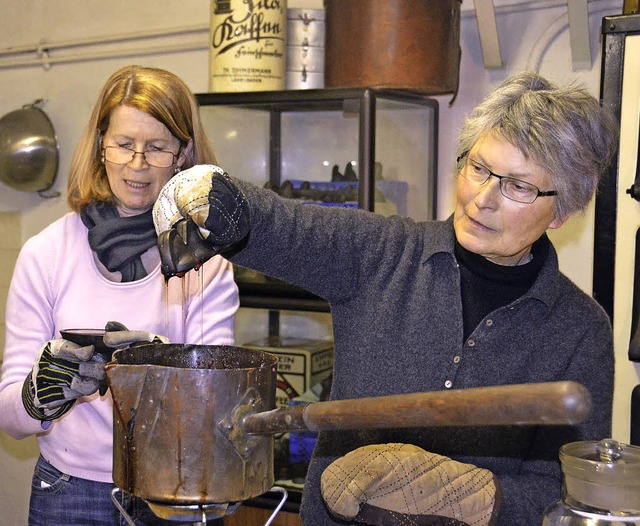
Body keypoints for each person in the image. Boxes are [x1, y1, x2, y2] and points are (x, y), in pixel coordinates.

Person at [152, 72, 618, 525]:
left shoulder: (580, 330)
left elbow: (568, 493)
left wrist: (472, 495)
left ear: (564, 210)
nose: (482, 199)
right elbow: (286, 227)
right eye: (478, 168)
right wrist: (218, 199)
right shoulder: (382, 255)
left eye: (517, 186)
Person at [0, 65, 239, 525]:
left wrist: (158, 369)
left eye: (156, 148)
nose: (137, 165)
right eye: (124, 145)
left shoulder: (203, 261)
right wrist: (38, 395)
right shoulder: (46, 254)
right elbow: (10, 416)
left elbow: (216, 403)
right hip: (69, 492)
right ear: (100, 146)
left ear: (183, 154)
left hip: (175, 487)